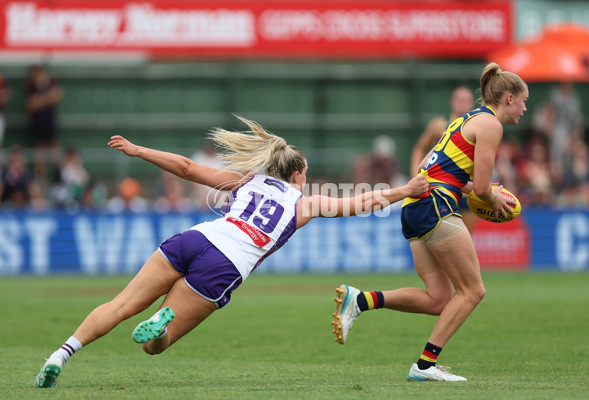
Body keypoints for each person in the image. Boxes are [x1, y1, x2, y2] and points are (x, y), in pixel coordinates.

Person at [35, 116, 429, 388]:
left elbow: (188, 168)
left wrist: (140, 151)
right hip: (224, 265)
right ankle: (162, 320)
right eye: (304, 174)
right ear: (296, 175)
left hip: (196, 238)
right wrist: (403, 192)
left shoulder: (246, 181)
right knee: (156, 345)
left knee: (121, 304)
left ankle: (61, 354)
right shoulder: (303, 202)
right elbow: (364, 200)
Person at [332, 63, 528, 382]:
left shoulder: (462, 121)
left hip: (415, 206)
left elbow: (429, 164)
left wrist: (482, 192)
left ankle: (361, 300)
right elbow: (479, 188)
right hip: (436, 205)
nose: (524, 107)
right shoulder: (491, 125)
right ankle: (424, 366)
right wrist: (494, 198)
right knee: (472, 290)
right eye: (523, 99)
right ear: (508, 98)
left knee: (439, 298)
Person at [409, 86, 477, 232]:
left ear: (472, 104)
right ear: (452, 102)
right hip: (442, 186)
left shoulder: (477, 126)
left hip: (467, 187)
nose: (463, 104)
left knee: (467, 236)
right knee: (442, 234)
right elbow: (420, 147)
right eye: (459, 100)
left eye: (466, 101)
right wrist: (415, 175)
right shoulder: (439, 124)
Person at [26, 64, 64, 178]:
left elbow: (57, 96)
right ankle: (40, 175)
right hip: (37, 122)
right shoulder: (31, 86)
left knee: (54, 146)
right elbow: (31, 104)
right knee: (39, 148)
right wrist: (47, 98)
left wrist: (39, 100)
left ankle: (58, 174)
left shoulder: (51, 84)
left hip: (49, 121)